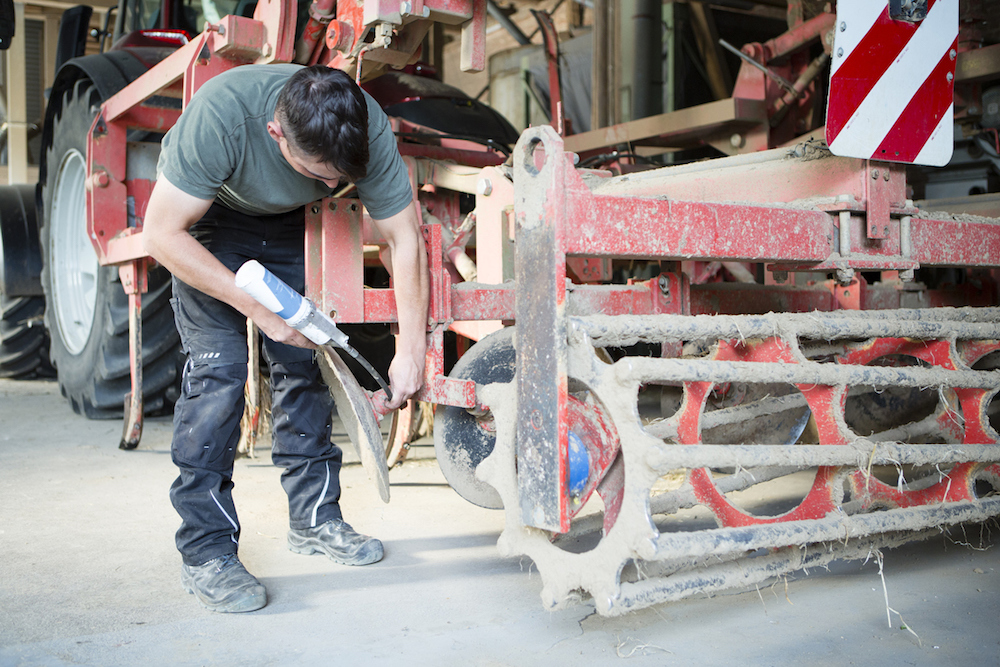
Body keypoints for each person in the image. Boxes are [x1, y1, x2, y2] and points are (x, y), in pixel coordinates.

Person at [143, 64, 428, 613]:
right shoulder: (222, 116)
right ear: (276, 132)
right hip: (207, 223)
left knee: (306, 362)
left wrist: (410, 350)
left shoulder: (363, 120)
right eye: (319, 172)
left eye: (336, 176)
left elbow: (404, 238)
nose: (330, 184)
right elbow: (161, 233)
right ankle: (206, 552)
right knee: (219, 374)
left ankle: (315, 519)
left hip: (294, 222)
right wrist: (263, 314)